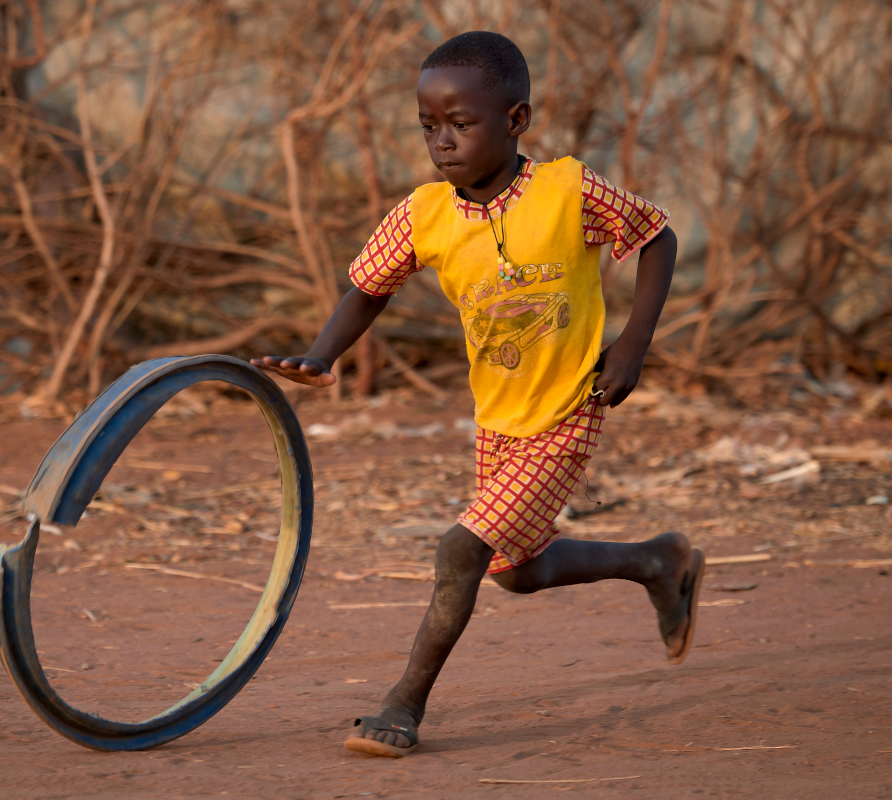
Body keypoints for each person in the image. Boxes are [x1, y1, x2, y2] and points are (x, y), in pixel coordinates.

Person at [251, 31, 704, 758]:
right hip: (498, 421)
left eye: (461, 124)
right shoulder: (424, 214)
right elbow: (367, 289)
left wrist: (632, 344)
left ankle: (402, 708)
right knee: (516, 572)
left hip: (568, 409)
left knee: (460, 550)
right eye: (429, 125)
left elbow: (658, 237)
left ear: (515, 120)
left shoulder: (568, 189)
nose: (442, 141)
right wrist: (321, 356)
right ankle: (658, 561)